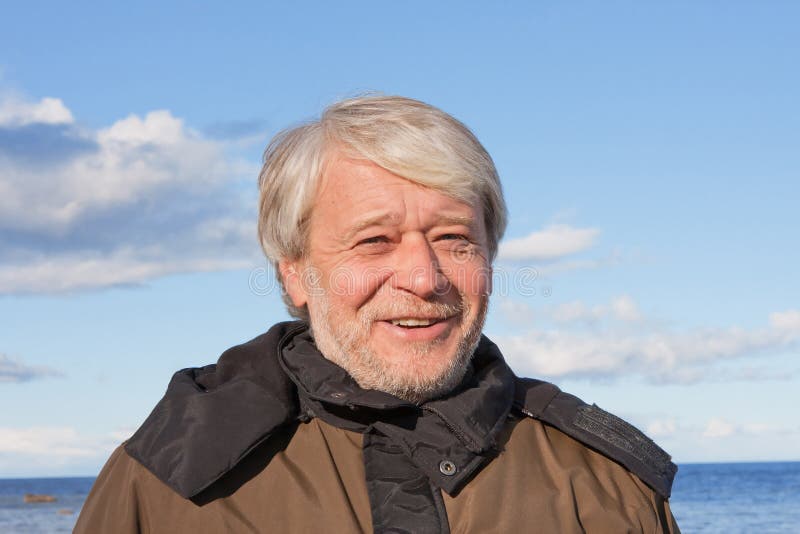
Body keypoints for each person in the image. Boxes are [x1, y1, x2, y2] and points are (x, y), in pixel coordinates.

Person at [75, 95, 680, 533]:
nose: (423, 278)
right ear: (294, 271)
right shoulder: (171, 479)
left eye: (454, 239)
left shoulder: (603, 484)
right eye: (374, 241)